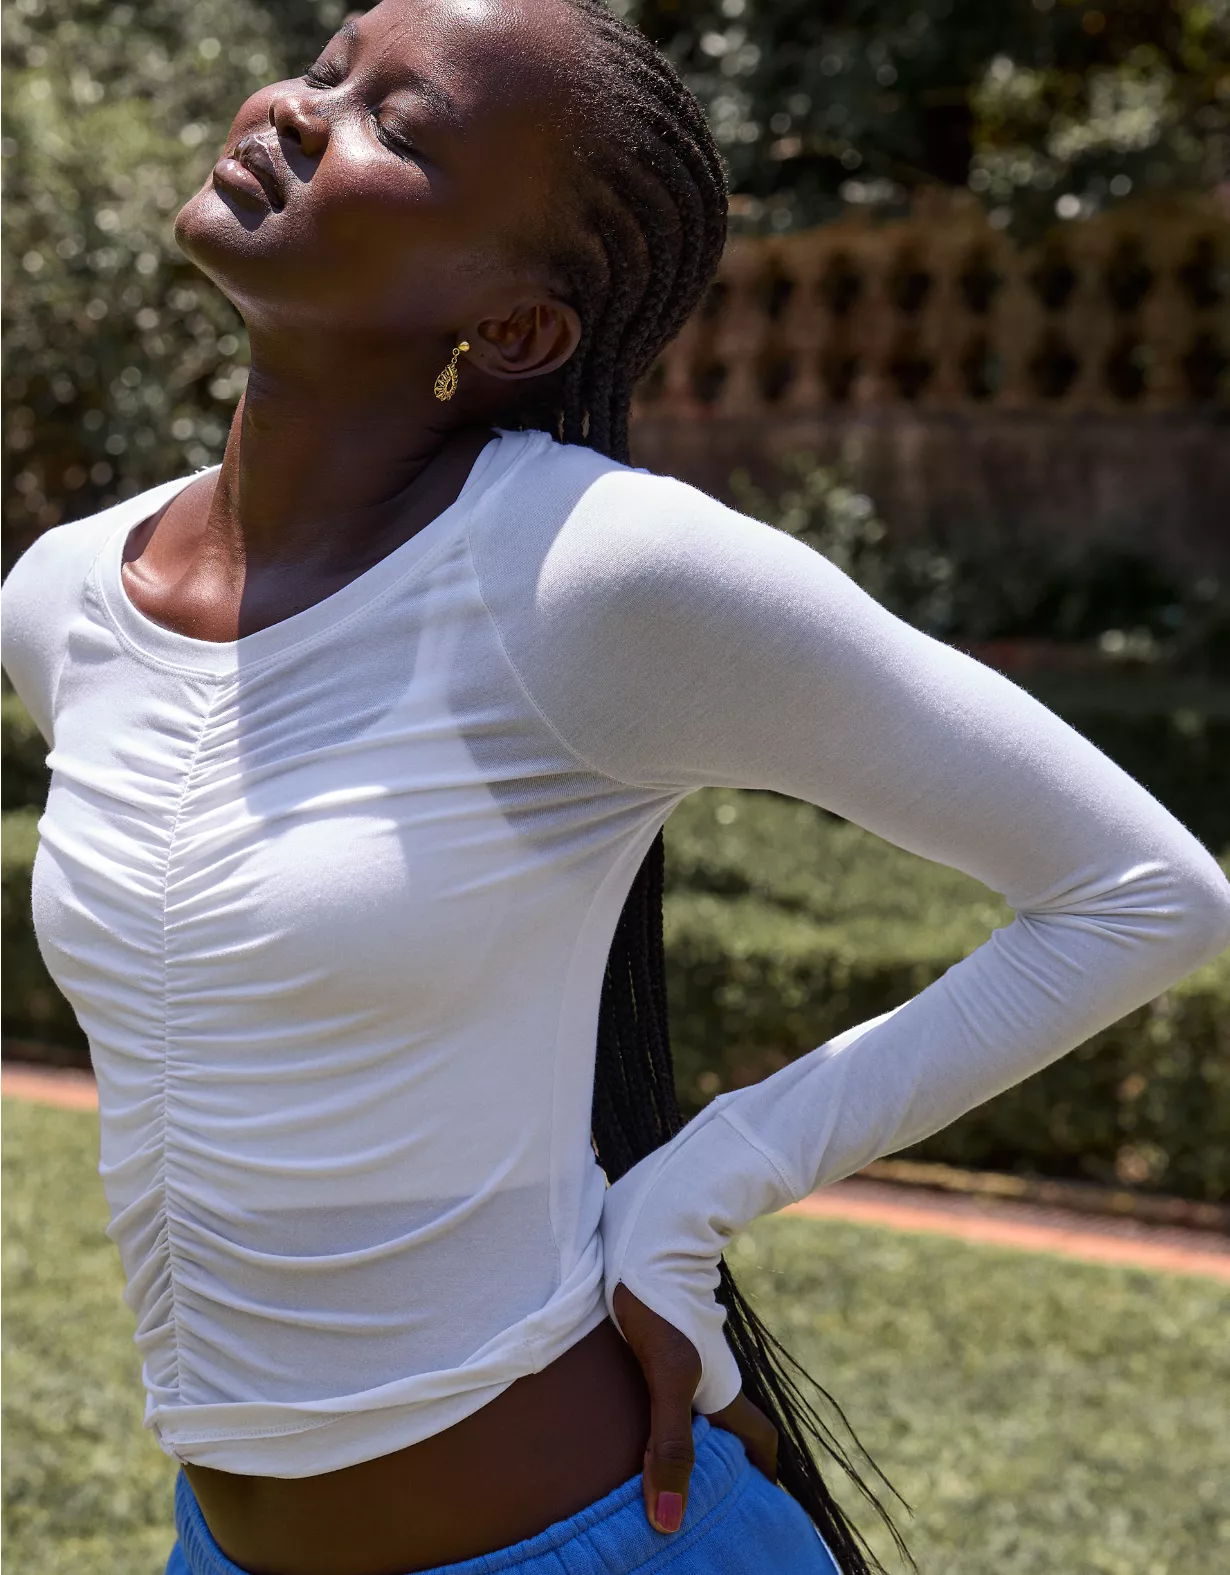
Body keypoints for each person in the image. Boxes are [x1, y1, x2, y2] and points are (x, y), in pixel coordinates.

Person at [4, 1, 1229, 1572]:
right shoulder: (65, 598)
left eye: (399, 130)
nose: (300, 113)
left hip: (601, 1538)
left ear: (515, 330)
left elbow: (1140, 892)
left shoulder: (593, 571)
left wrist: (696, 1187)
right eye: (324, 68)